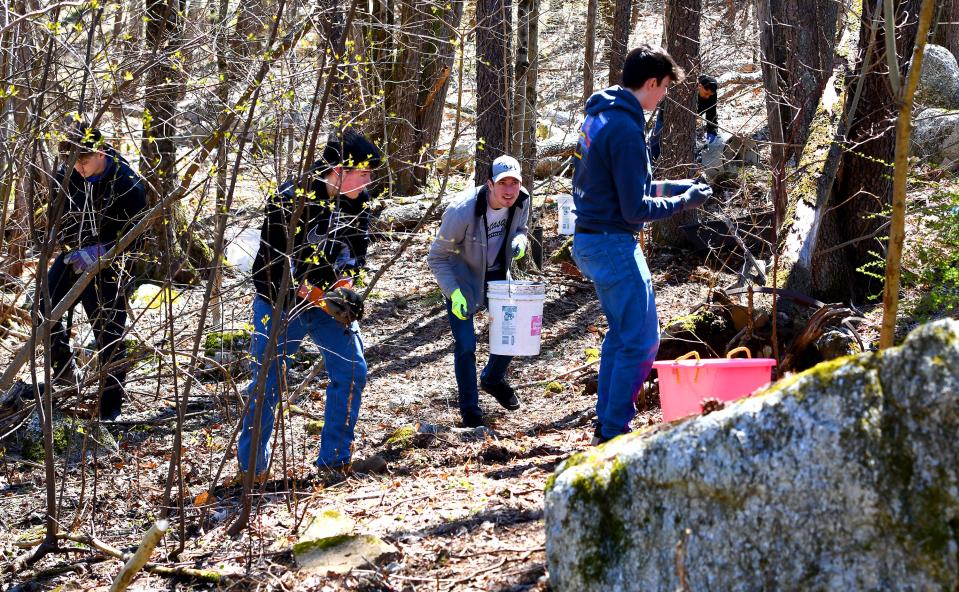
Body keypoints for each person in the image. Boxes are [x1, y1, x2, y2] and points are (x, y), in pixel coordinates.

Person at [571, 45, 713, 444]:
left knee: (621, 335)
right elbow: (635, 208)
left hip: (593, 239)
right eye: (665, 87)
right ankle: (615, 432)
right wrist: (684, 202)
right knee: (643, 340)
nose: (664, 95)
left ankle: (607, 422)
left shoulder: (603, 117)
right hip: (612, 243)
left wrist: (678, 186)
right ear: (651, 83)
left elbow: (623, 188)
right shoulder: (626, 129)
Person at [237, 129, 380, 480]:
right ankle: (251, 470)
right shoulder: (290, 198)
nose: (368, 181)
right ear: (339, 170)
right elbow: (273, 267)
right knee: (267, 382)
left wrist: (344, 289)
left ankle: (335, 460)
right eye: (363, 173)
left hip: (329, 307)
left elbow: (354, 254)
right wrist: (313, 295)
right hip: (281, 304)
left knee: (351, 372)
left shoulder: (358, 201)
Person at [49, 125, 147, 421]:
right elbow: (60, 215)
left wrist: (101, 253)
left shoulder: (128, 184)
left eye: (84, 161)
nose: (79, 168)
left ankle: (110, 409)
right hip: (74, 257)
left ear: (100, 152)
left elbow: (138, 237)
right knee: (45, 307)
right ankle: (64, 369)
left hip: (111, 264)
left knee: (109, 332)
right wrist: (72, 247)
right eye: (73, 163)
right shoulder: (68, 177)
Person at [427, 155, 530, 428]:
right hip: (462, 281)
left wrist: (520, 240)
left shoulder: (522, 200)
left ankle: (493, 379)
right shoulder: (461, 211)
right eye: (503, 183)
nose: (509, 190)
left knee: (511, 335)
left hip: (497, 275)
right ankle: (470, 413)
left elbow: (521, 228)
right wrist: (454, 293)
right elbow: (436, 257)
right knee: (466, 346)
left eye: (514, 183)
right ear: (489, 184)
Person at [649, 73, 720, 160]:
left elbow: (711, 112)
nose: (707, 96)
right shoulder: (687, 88)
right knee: (657, 140)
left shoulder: (711, 96)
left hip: (688, 120)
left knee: (684, 144)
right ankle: (651, 161)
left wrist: (712, 130)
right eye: (706, 93)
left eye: (710, 95)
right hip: (666, 115)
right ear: (699, 86)